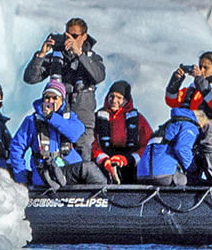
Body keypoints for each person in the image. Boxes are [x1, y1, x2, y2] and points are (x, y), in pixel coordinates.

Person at [24, 17, 106, 155]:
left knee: (83, 155)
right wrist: (41, 55)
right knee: (56, 154)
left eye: (74, 36)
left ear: (84, 36)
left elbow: (99, 76)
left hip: (82, 117)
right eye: (67, 35)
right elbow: (30, 78)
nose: (70, 39)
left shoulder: (92, 58)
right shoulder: (56, 57)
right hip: (57, 115)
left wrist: (79, 54)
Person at [8, 79, 107, 188]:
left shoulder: (69, 117)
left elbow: (76, 133)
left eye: (55, 98)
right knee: (87, 169)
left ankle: (104, 195)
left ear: (62, 100)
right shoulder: (32, 121)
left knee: (89, 170)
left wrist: (52, 117)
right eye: (47, 97)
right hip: (46, 173)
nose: (50, 101)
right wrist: (21, 178)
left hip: (69, 169)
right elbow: (16, 148)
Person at [165, 51, 212, 184]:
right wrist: (176, 80)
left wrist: (200, 80)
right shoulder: (193, 87)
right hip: (191, 127)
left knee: (208, 151)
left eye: (206, 68)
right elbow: (171, 100)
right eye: (200, 66)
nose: (202, 70)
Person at [91, 80, 152, 183]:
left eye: (119, 98)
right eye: (111, 96)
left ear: (126, 100)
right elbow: (91, 143)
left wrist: (128, 159)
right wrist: (104, 160)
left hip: (131, 165)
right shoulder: (97, 117)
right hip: (104, 164)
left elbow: (148, 145)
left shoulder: (138, 119)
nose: (114, 100)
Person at [137, 108, 207, 186]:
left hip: (142, 174)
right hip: (162, 175)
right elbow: (182, 149)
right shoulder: (189, 126)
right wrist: (193, 168)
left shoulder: (168, 125)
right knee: (194, 181)